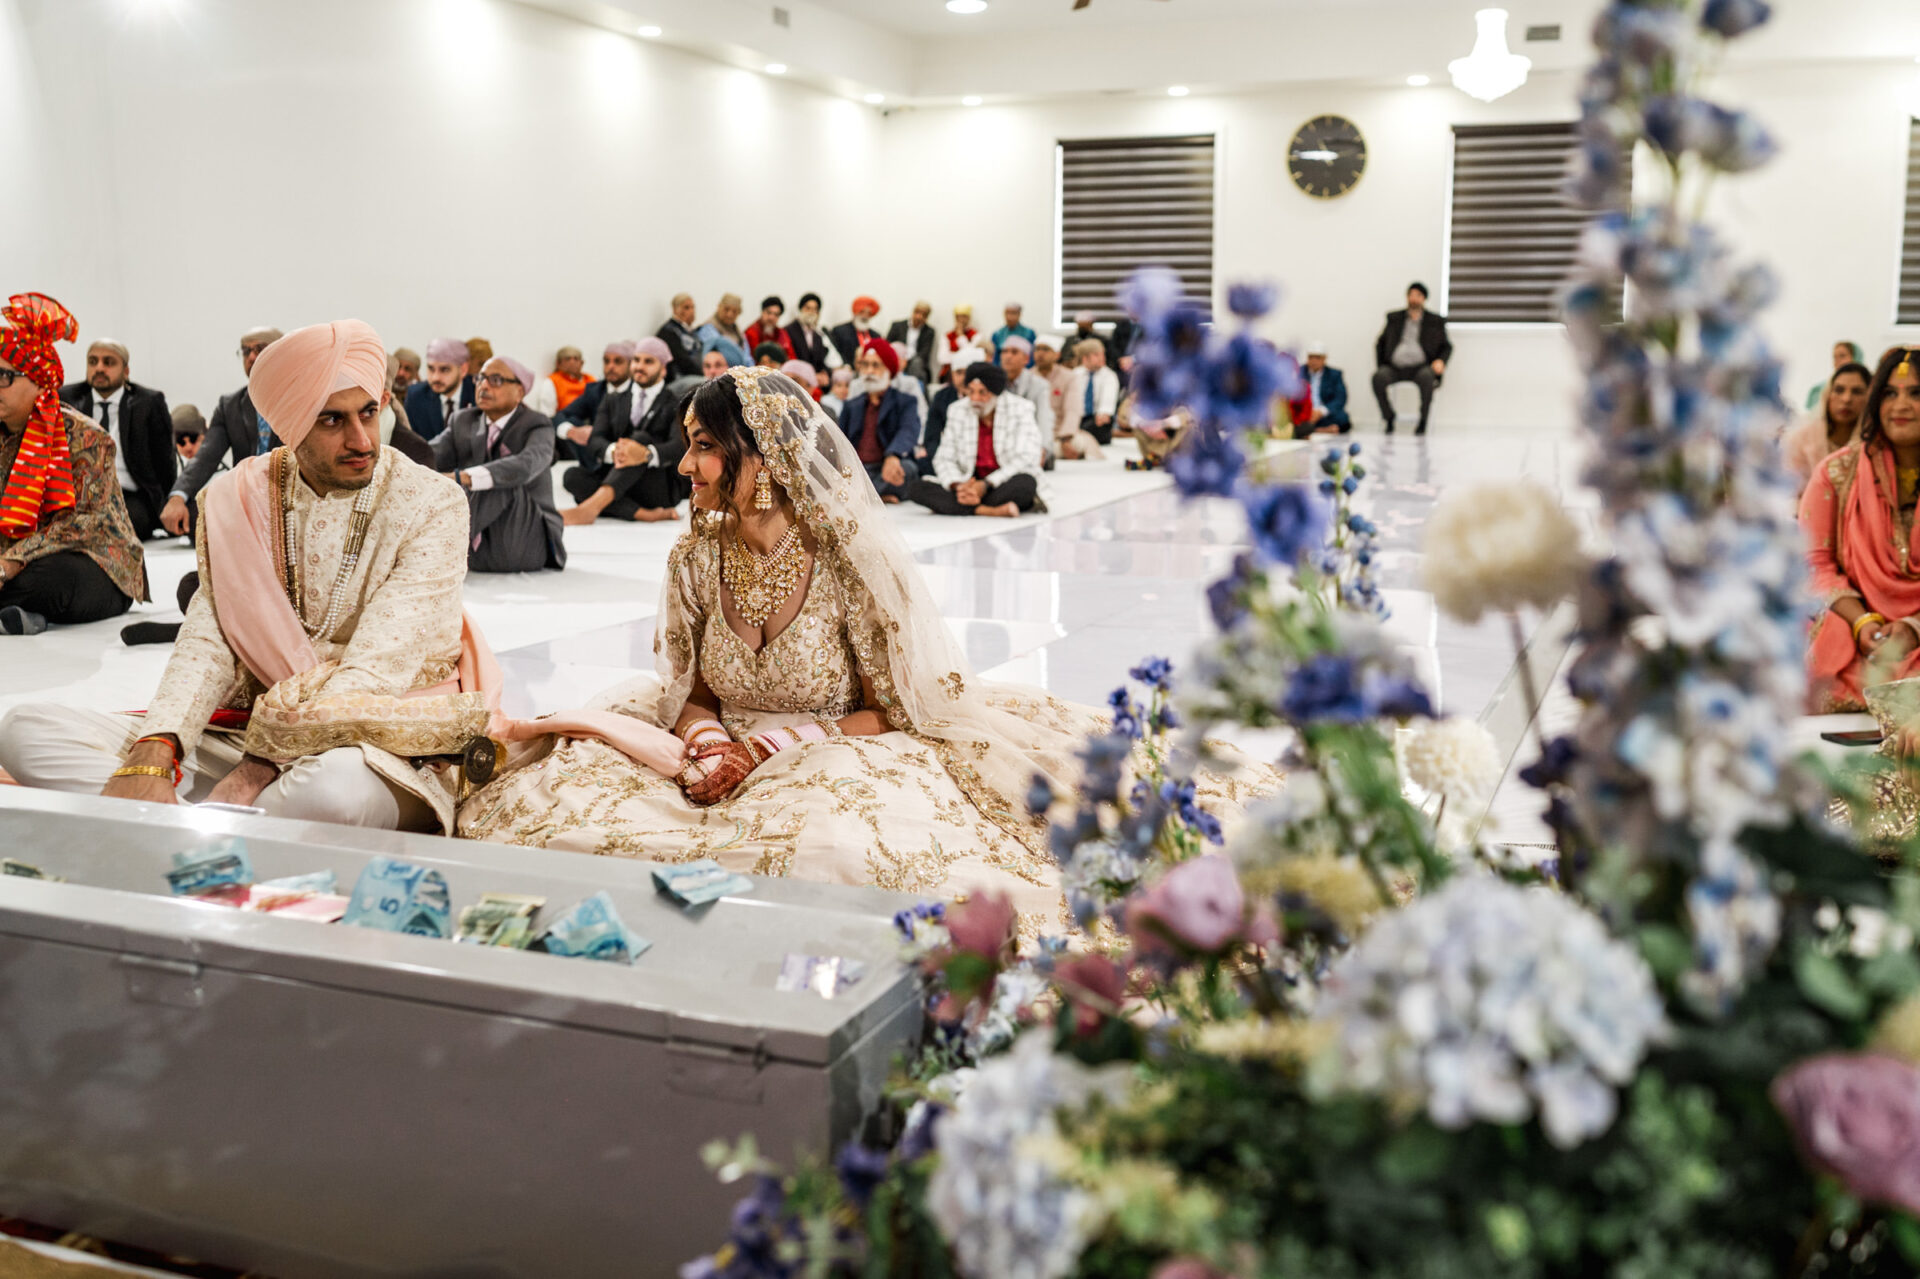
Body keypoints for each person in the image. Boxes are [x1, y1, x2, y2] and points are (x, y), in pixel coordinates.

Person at [454, 368, 1272, 925]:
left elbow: (895, 710)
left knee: (833, 853)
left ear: (764, 456)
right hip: (715, 745)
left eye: (706, 444)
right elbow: (691, 688)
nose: (686, 463)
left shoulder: (847, 559)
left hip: (843, 741)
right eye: (688, 441)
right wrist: (706, 743)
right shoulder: (695, 554)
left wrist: (771, 746)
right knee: (558, 813)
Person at [0, 316, 503, 831]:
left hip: (375, 735)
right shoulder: (239, 495)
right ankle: (215, 826)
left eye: (368, 413)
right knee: (24, 728)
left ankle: (171, 822)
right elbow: (210, 635)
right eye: (332, 421)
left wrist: (252, 772)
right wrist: (156, 749)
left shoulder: (431, 501)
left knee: (334, 794)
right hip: (248, 725)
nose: (361, 440)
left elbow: (374, 672)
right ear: (290, 426)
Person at [0, 294, 146, 634]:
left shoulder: (85, 436)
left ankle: (21, 607)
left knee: (52, 579)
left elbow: (82, 523)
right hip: (11, 560)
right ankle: (20, 615)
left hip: (92, 561)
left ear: (39, 380)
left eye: (5, 376)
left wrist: (11, 562)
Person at [1800, 347, 1920, 713]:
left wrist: (1913, 626)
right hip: (1853, 627)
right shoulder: (1835, 473)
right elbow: (1812, 561)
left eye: (1916, 393)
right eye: (1889, 393)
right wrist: (1861, 620)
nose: (1901, 405)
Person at [433, 356, 566, 573]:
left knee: (502, 478)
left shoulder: (537, 425)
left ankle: (439, 551)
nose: (483, 385)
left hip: (529, 538)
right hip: (483, 539)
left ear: (519, 391)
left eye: (495, 380)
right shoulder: (464, 420)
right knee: (426, 479)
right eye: (481, 378)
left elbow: (526, 465)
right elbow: (430, 455)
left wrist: (463, 477)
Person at [160, 326, 285, 537]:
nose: (252, 356)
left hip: (291, 495)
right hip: (246, 496)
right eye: (246, 351)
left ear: (282, 353)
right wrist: (177, 497)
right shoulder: (230, 406)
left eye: (260, 349)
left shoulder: (302, 397)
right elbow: (206, 457)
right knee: (194, 514)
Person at [57, 338, 173, 540]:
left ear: (125, 371)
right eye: (93, 362)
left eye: (108, 362)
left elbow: (165, 462)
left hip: (129, 494)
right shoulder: (67, 399)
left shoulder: (148, 402)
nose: (99, 368)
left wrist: (165, 504)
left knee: (124, 525)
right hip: (78, 494)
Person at [562, 338, 687, 525]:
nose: (640, 366)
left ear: (663, 369)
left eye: (648, 361)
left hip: (656, 485)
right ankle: (642, 514)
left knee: (640, 439)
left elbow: (680, 446)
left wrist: (645, 454)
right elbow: (595, 440)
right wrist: (615, 452)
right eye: (636, 360)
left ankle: (590, 508)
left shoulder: (677, 403)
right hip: (617, 479)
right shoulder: (613, 399)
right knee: (572, 476)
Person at [911, 362, 1046, 519]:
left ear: (997, 393)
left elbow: (1026, 458)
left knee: (1026, 483)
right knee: (916, 488)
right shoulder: (957, 409)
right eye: (971, 391)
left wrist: (985, 485)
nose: (976, 399)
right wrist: (958, 486)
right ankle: (987, 510)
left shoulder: (1021, 409)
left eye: (983, 392)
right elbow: (944, 457)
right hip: (967, 482)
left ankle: (961, 506)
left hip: (1000, 484)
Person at [837, 341, 920, 503]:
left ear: (889, 370)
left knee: (908, 469)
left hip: (886, 467)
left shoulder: (905, 401)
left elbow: (909, 431)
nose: (869, 371)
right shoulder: (851, 405)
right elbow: (840, 441)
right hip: (858, 470)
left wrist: (893, 456)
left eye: (876, 366)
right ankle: (875, 495)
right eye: (865, 365)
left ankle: (863, 495)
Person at [1371, 282, 1451, 434]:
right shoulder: (1394, 318)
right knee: (1378, 378)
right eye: (1411, 295)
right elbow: (1380, 343)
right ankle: (1389, 418)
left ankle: (1423, 422)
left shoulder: (1434, 321)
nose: (1413, 299)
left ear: (1424, 299)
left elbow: (1447, 346)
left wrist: (1440, 361)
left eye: (1418, 296)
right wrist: (1381, 364)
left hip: (1420, 367)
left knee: (1428, 378)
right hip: (1394, 367)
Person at [1784, 362, 1872, 494]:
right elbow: (1788, 493)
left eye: (1857, 392)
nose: (1846, 399)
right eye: (1839, 390)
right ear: (1827, 395)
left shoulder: (1876, 444)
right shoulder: (1801, 440)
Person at [404, 337, 475, 441]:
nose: (435, 377)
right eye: (431, 369)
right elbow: (411, 444)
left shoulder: (478, 393)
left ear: (463, 370)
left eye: (444, 370)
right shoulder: (416, 397)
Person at [925, 345, 985, 462]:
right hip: (946, 459)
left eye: (968, 372)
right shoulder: (941, 397)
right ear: (952, 374)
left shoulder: (989, 398)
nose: (963, 378)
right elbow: (931, 437)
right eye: (959, 372)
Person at [998, 336, 1055, 451]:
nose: (1008, 356)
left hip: (1030, 440)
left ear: (1026, 359)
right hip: (1000, 440)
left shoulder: (1039, 385)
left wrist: (1043, 448)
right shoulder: (993, 382)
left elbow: (1044, 418)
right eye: (1005, 352)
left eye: (1014, 352)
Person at [1062, 338, 1120, 447]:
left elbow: (1108, 401)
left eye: (1103, 354)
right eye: (1097, 355)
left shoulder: (1109, 376)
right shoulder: (1075, 374)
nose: (1102, 358)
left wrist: (1104, 413)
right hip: (1078, 417)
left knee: (1098, 426)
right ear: (1085, 358)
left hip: (1097, 419)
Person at [1301, 341, 1352, 435]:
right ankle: (1321, 430)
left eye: (1317, 358)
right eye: (1311, 357)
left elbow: (1340, 398)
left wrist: (1321, 411)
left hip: (1324, 414)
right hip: (1305, 414)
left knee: (1343, 418)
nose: (1313, 361)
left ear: (1324, 359)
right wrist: (1307, 412)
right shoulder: (1299, 373)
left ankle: (1312, 429)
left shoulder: (1335, 374)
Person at [886, 300, 937, 384]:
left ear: (927, 317)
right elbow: (887, 345)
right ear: (913, 312)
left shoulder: (929, 332)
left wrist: (907, 360)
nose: (919, 317)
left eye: (923, 315)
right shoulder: (897, 326)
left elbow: (924, 353)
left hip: (915, 362)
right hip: (897, 359)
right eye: (917, 312)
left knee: (917, 363)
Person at [1807, 341, 1867, 411]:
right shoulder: (1819, 390)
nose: (1837, 361)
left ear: (1855, 357)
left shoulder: (1870, 385)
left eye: (1842, 356)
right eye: (1835, 357)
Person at [785, 293, 835, 374]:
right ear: (801, 309)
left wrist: (823, 373)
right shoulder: (789, 331)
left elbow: (820, 361)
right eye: (808, 308)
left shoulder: (818, 335)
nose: (811, 312)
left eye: (814, 309)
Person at [659, 293, 705, 380]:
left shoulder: (689, 330)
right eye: (686, 308)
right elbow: (682, 362)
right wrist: (703, 375)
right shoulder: (669, 332)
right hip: (680, 378)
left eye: (693, 307)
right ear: (675, 310)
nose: (691, 311)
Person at [696, 294, 749, 368]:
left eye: (734, 311)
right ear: (719, 307)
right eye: (726, 309)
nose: (729, 314)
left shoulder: (738, 333)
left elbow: (747, 357)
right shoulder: (707, 329)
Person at [830, 296, 880, 368]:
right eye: (862, 312)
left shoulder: (876, 335)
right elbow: (836, 354)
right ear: (855, 312)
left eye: (868, 313)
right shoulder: (840, 331)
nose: (865, 316)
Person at [1035, 338, 1072, 433]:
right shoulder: (1027, 377)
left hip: (1060, 430)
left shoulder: (1069, 377)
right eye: (1037, 349)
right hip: (1032, 432)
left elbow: (1072, 411)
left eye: (1046, 349)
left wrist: (1066, 436)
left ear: (1057, 355)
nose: (1040, 353)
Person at [742, 296, 793, 363]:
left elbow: (791, 357)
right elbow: (751, 359)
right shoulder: (751, 332)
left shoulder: (782, 333)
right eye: (769, 313)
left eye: (776, 315)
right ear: (762, 312)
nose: (771, 317)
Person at [546, 345, 593, 414]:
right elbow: (548, 415)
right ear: (558, 363)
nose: (572, 362)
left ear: (582, 363)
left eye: (576, 359)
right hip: (565, 420)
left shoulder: (590, 380)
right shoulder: (552, 381)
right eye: (567, 359)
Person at [941, 304, 978, 380]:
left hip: (968, 371)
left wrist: (961, 336)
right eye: (958, 317)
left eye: (964, 316)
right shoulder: (947, 336)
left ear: (969, 318)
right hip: (949, 372)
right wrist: (962, 356)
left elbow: (971, 356)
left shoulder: (976, 335)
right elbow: (942, 358)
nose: (961, 320)